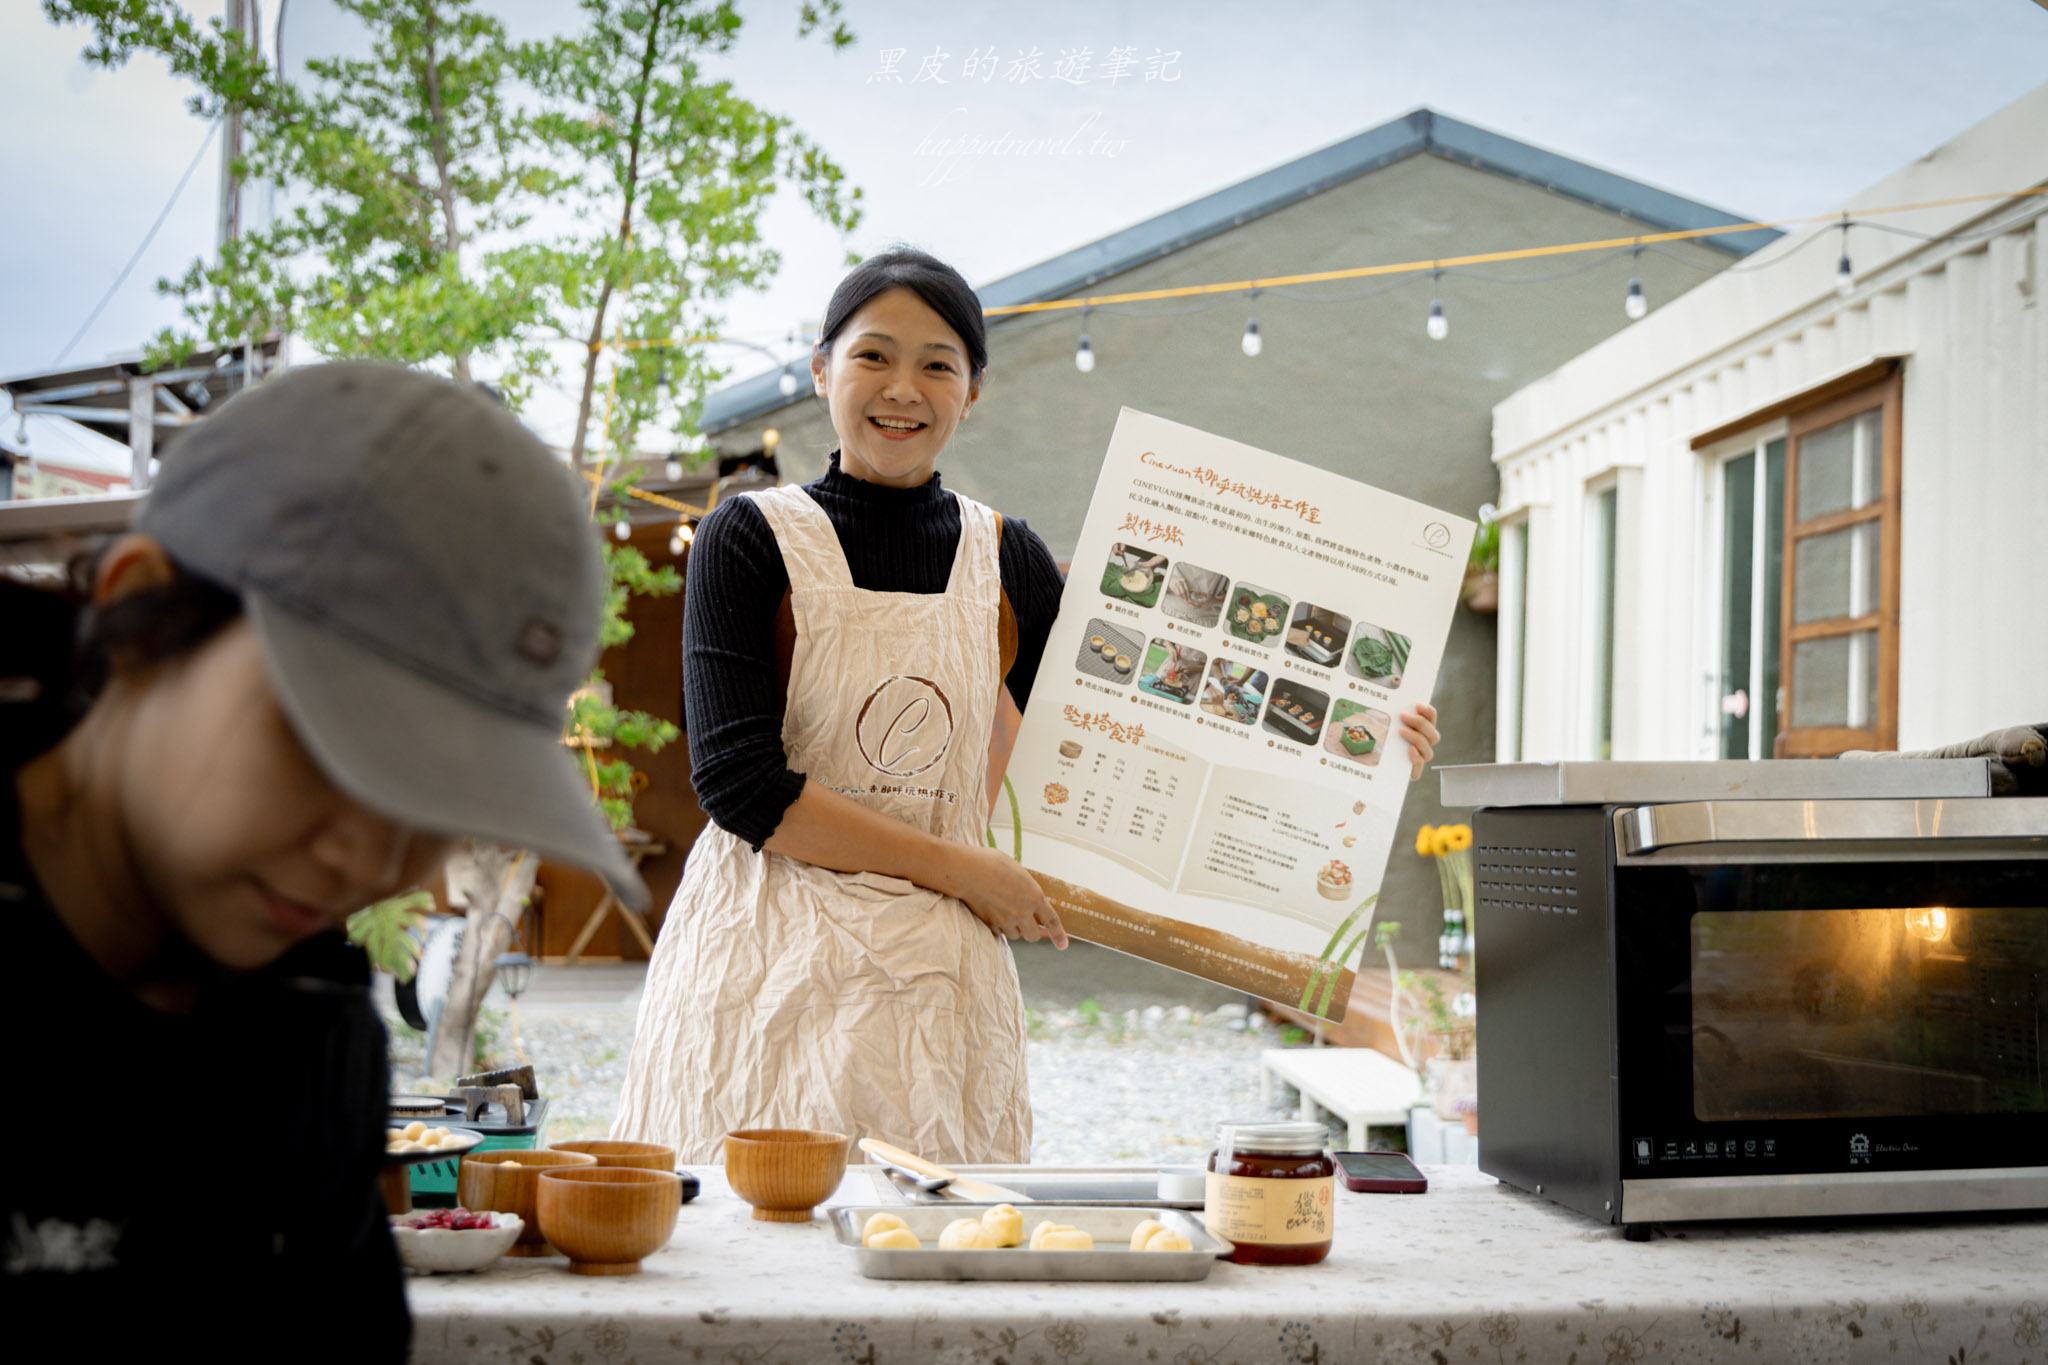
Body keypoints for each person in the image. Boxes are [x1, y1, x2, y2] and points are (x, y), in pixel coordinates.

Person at [612, 247, 1442, 1165]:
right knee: (752, 1252)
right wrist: (968, 871)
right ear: (820, 372)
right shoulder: (749, 536)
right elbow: (741, 786)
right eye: (873, 356)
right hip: (763, 960)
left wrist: (1357, 739)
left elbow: (1149, 742)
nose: (904, 387)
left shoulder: (1006, 556)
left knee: (936, 1252)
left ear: (974, 392)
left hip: (936, 984)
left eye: (938, 363)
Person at [1, 364, 647, 1358]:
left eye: (439, 794)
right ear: (140, 619)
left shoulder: (307, 1024)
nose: (371, 857)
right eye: (327, 744)